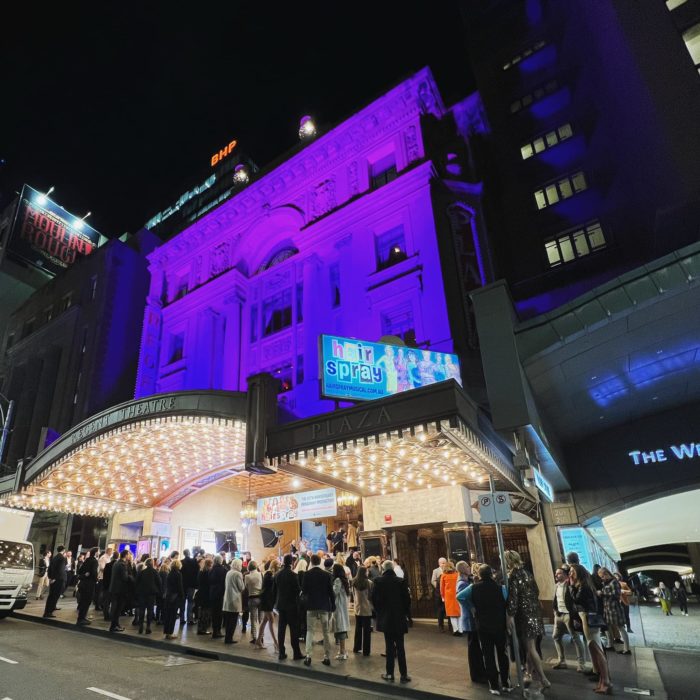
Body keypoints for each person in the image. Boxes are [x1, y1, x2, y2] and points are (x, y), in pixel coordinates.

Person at [459, 564, 511, 696]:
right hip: (499, 625)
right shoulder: (501, 588)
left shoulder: (473, 588)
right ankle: (506, 683)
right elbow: (507, 604)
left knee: (488, 656)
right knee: (502, 654)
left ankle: (493, 685)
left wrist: (471, 607)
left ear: (480, 575)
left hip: (483, 626)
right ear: (492, 574)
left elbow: (460, 597)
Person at [505, 550, 550, 690]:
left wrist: (510, 616)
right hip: (534, 611)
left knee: (530, 648)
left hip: (523, 615)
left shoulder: (513, 575)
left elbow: (513, 597)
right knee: (532, 647)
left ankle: (543, 679)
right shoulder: (527, 573)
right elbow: (536, 591)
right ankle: (528, 674)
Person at [569, 564, 611, 695]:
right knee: (594, 647)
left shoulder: (583, 586)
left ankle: (606, 681)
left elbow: (576, 599)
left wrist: (570, 586)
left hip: (588, 619)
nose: (570, 573)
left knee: (597, 649)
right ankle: (602, 681)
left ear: (579, 573)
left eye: (572, 571)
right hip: (586, 618)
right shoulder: (584, 585)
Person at [372, 560, 411, 684]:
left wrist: (380, 613)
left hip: (386, 618)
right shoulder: (401, 581)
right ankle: (404, 675)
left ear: (383, 569)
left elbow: (374, 600)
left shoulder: (378, 581)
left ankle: (390, 673)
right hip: (399, 618)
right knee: (401, 647)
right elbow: (407, 600)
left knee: (389, 647)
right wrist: (404, 613)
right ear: (392, 569)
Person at [455, 561, 487, 684]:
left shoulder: (466, 580)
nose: (469, 568)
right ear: (462, 569)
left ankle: (480, 671)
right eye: (467, 567)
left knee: (475, 647)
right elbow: (461, 597)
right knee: (473, 648)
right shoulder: (462, 583)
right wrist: (471, 607)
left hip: (471, 619)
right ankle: (476, 674)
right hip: (469, 619)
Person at [302, 553, 335, 667]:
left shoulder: (307, 574)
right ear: (320, 561)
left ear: (311, 562)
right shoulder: (326, 575)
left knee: (310, 631)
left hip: (311, 606)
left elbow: (304, 591)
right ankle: (326, 656)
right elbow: (331, 591)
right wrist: (333, 605)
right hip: (324, 606)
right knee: (325, 632)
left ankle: (308, 656)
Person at [551, 567, 585, 671]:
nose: (556, 575)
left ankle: (581, 664)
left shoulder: (570, 585)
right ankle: (561, 661)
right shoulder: (556, 586)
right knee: (556, 637)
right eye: (556, 574)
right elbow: (555, 600)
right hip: (559, 615)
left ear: (565, 575)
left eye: (559, 573)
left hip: (568, 615)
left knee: (575, 638)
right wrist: (555, 611)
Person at [273, 554, 304, 661]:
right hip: (292, 606)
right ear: (291, 563)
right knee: (294, 630)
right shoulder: (293, 575)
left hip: (281, 605)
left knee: (281, 630)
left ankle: (281, 652)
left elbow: (275, 591)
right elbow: (298, 590)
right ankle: (296, 653)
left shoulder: (277, 575)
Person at [598, 568, 630, 655]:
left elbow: (616, 594)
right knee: (607, 626)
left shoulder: (614, 582)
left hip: (615, 608)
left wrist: (602, 593)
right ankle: (610, 645)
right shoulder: (607, 582)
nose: (602, 578)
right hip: (608, 608)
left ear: (606, 574)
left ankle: (627, 649)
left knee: (621, 628)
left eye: (602, 576)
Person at [256, 559, 279, 650]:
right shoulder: (268, 574)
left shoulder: (271, 574)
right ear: (274, 565)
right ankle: (276, 643)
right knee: (271, 620)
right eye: (278, 564)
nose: (279, 566)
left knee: (265, 621)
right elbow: (268, 587)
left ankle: (258, 640)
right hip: (266, 601)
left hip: (269, 601)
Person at [109, 549, 134, 633]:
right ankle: (113, 626)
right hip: (120, 590)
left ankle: (116, 624)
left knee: (116, 608)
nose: (130, 556)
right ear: (126, 555)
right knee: (117, 609)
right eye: (129, 554)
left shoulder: (116, 563)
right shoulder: (123, 565)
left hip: (114, 588)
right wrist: (131, 577)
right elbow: (125, 578)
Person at [135, 557, 161, 635]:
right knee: (150, 610)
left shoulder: (142, 572)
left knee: (142, 610)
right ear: (152, 563)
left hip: (142, 593)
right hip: (151, 594)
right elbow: (159, 582)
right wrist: (158, 591)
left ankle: (140, 627)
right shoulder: (155, 572)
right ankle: (148, 627)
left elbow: (137, 582)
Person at [352, 565, 373, 656]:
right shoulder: (369, 583)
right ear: (364, 572)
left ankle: (356, 648)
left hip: (357, 607)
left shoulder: (354, 581)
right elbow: (371, 596)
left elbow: (353, 594)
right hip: (366, 608)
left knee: (358, 629)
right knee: (367, 631)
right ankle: (366, 650)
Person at [222, 559, 245, 644]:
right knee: (233, 620)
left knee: (228, 620)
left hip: (227, 598)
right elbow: (241, 587)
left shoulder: (228, 572)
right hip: (235, 599)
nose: (241, 566)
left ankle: (227, 637)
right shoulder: (238, 574)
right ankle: (229, 638)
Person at [43, 545, 67, 618]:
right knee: (54, 596)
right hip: (58, 579)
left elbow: (50, 568)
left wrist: (51, 577)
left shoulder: (55, 557)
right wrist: (55, 578)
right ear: (63, 550)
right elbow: (60, 570)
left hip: (54, 579)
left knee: (52, 595)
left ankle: (50, 609)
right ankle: (48, 612)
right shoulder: (62, 558)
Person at [76, 547, 99, 626]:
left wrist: (85, 574)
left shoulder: (87, 560)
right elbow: (94, 572)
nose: (99, 553)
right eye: (98, 552)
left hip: (83, 584)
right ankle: (81, 619)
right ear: (96, 553)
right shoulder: (94, 561)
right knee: (87, 602)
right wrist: (96, 579)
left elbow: (80, 571)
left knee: (83, 601)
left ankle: (81, 617)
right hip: (89, 585)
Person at [332, 563, 350, 660]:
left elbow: (335, 592)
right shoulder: (344, 580)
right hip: (341, 607)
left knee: (340, 629)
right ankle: (343, 650)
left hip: (338, 607)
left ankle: (342, 651)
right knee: (341, 628)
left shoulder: (338, 580)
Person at [163, 558, 184, 640]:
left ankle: (166, 632)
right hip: (175, 597)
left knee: (168, 615)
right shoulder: (178, 574)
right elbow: (180, 586)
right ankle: (170, 633)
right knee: (173, 615)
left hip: (168, 596)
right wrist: (182, 596)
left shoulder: (169, 573)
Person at [440, 560, 462, 635]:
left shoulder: (443, 575)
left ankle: (455, 630)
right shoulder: (457, 574)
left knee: (452, 615)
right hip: (457, 595)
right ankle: (461, 630)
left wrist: (442, 597)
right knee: (459, 614)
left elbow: (442, 588)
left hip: (448, 597)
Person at [245, 560, 263, 644]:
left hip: (252, 598)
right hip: (261, 598)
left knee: (253, 619)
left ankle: (254, 637)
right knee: (261, 619)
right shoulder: (261, 574)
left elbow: (246, 587)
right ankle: (262, 637)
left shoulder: (247, 576)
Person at [209, 555, 227, 638]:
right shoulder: (224, 570)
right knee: (219, 613)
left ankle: (214, 630)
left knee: (213, 613)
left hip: (212, 593)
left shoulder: (211, 569)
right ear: (221, 561)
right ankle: (218, 631)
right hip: (220, 593)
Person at [181, 549, 199, 625]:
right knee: (190, 602)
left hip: (183, 585)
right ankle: (190, 619)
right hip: (192, 585)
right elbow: (197, 572)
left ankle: (182, 619)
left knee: (182, 602)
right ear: (189, 553)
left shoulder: (181, 562)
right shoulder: (194, 562)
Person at [195, 557, 213, 634]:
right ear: (210, 564)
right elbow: (210, 583)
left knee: (201, 612)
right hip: (207, 594)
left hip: (200, 593)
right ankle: (203, 629)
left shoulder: (200, 572)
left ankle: (200, 628)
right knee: (206, 613)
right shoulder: (208, 572)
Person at [431, 557, 447, 631]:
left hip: (447, 593)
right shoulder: (436, 571)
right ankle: (441, 625)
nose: (443, 564)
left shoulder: (448, 570)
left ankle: (451, 626)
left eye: (445, 563)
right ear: (439, 563)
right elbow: (433, 580)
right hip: (439, 593)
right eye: (442, 563)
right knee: (440, 610)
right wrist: (439, 587)